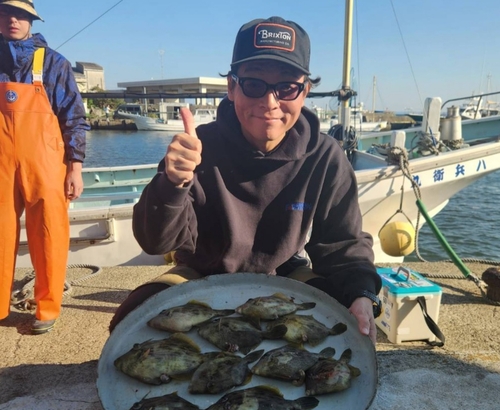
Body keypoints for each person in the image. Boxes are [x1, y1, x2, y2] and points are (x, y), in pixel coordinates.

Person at [110, 16, 382, 342]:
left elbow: (343, 245)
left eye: (286, 87)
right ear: (232, 88)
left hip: (284, 272)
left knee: (343, 322)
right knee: (130, 321)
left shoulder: (324, 156)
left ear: (305, 91)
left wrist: (362, 294)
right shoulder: (196, 147)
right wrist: (172, 183)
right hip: (200, 271)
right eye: (254, 85)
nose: (269, 103)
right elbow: (156, 243)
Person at [0, 0, 89, 334]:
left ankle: (47, 308)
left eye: (21, 14)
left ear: (31, 21)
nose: (13, 19)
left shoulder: (53, 63)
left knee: (49, 234)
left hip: (47, 166)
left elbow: (74, 119)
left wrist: (75, 168)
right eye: (6, 12)